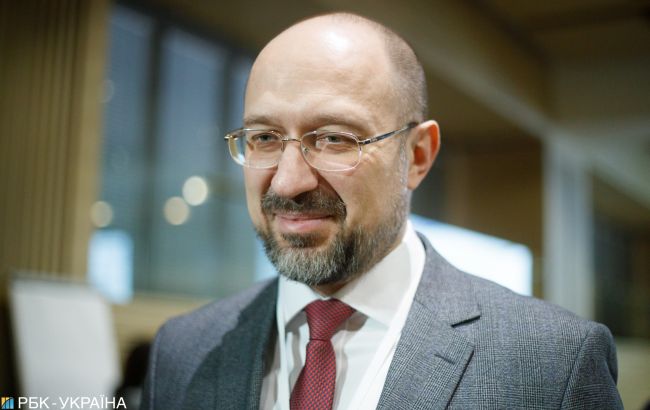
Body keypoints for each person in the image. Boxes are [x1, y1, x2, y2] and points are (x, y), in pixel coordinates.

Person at [141, 12, 622, 409]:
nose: (288, 181)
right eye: (265, 138)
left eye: (334, 138)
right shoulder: (183, 351)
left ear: (417, 156)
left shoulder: (552, 364)